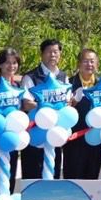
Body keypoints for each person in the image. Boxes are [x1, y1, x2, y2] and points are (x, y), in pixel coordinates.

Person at [20, 39, 67, 180]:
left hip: (55, 134)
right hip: (35, 134)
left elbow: (66, 103)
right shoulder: (31, 77)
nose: (52, 55)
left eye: (55, 52)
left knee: (54, 176)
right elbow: (26, 104)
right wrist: (48, 108)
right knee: (33, 178)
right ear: (41, 54)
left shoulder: (63, 77)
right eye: (48, 52)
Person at [63, 48, 101, 180]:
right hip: (75, 140)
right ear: (78, 64)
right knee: (74, 178)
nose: (89, 64)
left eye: (92, 61)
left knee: (92, 178)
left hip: (95, 138)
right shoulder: (68, 84)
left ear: (97, 64)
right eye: (85, 61)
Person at [0, 47, 23, 188]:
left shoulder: (18, 86)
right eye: (7, 62)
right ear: (0, 64)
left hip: (12, 135)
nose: (11, 66)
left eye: (14, 63)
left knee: (10, 173)